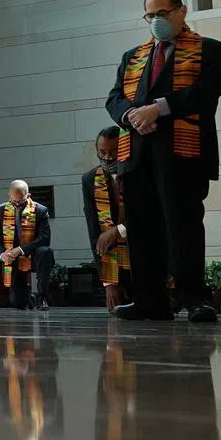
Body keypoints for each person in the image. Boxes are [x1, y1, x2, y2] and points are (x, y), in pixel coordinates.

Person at [105, 0, 221, 323]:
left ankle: (194, 298)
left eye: (162, 14)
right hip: (137, 154)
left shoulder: (209, 49)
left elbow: (205, 93)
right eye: (150, 15)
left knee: (183, 225)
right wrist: (131, 115)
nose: (156, 20)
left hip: (182, 154)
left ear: (181, 11)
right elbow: (114, 97)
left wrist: (158, 109)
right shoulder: (133, 56)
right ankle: (150, 299)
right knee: (142, 228)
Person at [82, 127, 133, 312]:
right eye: (102, 152)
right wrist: (108, 283)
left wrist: (117, 230)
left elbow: (149, 217)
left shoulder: (137, 173)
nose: (107, 157)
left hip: (142, 255)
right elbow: (95, 233)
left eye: (113, 152)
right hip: (114, 264)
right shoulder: (89, 180)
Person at [0, 180, 54, 310]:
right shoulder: (1, 210)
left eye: (20, 201)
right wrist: (2, 255)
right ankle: (28, 297)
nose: (17, 205)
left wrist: (20, 250)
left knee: (45, 251)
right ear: (9, 195)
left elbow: (44, 238)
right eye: (14, 201)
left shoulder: (40, 210)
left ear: (28, 195)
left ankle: (42, 297)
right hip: (13, 258)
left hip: (33, 254)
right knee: (17, 304)